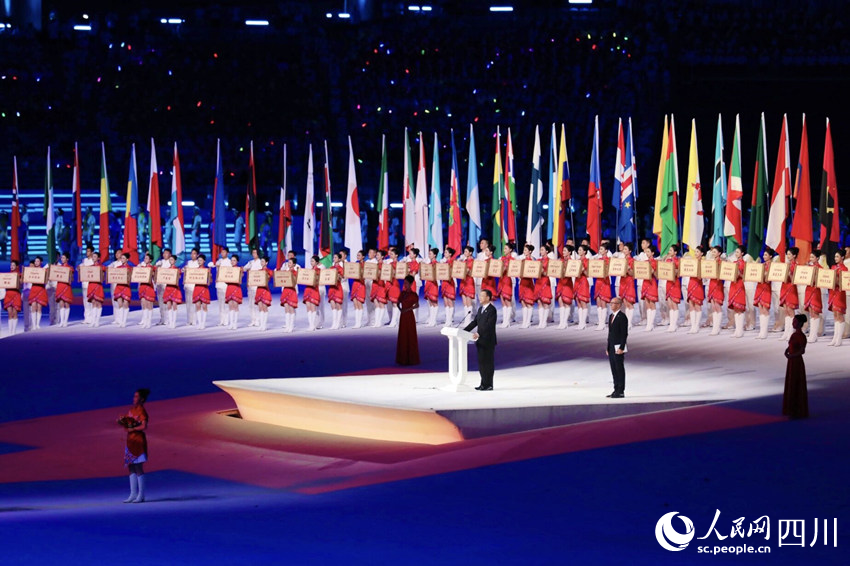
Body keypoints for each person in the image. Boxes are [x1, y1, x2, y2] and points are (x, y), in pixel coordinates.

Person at [118, 388, 150, 503]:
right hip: (130, 441)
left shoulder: (142, 411)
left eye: (136, 397)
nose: (134, 398)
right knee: (131, 467)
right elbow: (127, 423)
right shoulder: (131, 410)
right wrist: (123, 422)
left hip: (138, 441)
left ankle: (141, 495)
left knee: (138, 467)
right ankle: (132, 494)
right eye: (134, 396)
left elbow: (144, 426)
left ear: (141, 399)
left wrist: (132, 428)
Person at [464, 289, 498, 391]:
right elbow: (475, 322)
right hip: (480, 341)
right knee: (481, 363)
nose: (480, 298)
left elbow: (489, 326)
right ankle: (483, 383)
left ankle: (489, 384)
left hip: (488, 341)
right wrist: (463, 331)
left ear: (488, 297)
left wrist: (479, 333)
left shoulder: (492, 310)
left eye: (482, 296)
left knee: (488, 363)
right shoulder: (480, 309)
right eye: (479, 296)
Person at [782, 314, 809, 419]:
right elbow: (790, 346)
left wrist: (792, 355)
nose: (793, 323)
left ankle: (797, 409)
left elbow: (802, 351)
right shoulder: (793, 335)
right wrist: (787, 351)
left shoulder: (801, 336)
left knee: (796, 383)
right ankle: (791, 409)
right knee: (791, 382)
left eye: (795, 321)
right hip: (791, 361)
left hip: (796, 361)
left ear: (800, 324)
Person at [605, 297, 628, 398]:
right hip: (611, 347)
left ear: (619, 305)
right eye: (610, 303)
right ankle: (615, 389)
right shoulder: (611, 316)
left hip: (619, 347)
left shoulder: (622, 317)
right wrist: (608, 347)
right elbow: (610, 334)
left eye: (613, 303)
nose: (611, 305)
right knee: (614, 369)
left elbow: (624, 334)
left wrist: (622, 347)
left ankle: (621, 390)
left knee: (619, 368)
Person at [395, 275, 420, 365]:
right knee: (403, 335)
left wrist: (408, 309)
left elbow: (417, 305)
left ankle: (411, 358)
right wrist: (400, 309)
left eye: (406, 283)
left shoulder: (414, 295)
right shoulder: (402, 294)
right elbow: (398, 303)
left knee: (410, 335)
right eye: (404, 283)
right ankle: (402, 358)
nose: (405, 284)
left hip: (409, 316)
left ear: (411, 284)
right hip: (403, 316)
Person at [828, 250, 847, 346]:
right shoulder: (833, 267)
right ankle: (835, 337)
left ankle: (839, 338)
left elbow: (842, 283)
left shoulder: (844, 269)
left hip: (840, 293)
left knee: (840, 315)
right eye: (835, 256)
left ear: (842, 257)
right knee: (835, 315)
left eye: (837, 256)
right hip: (833, 292)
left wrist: (835, 275)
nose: (835, 258)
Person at [136, 252, 157, 329]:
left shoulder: (153, 268)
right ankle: (144, 320)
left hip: (149, 286)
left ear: (150, 260)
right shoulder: (141, 267)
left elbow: (155, 277)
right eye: (144, 258)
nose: (145, 259)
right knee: (144, 304)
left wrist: (153, 274)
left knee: (149, 304)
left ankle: (149, 322)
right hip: (142, 286)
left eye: (147, 258)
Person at [27, 256, 48, 330]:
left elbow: (46, 280)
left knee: (39, 307)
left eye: (38, 261)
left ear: (41, 262)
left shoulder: (43, 270)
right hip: (34, 289)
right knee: (33, 306)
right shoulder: (31, 271)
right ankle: (33, 324)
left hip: (41, 289)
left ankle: (38, 324)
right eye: (35, 261)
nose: (36, 263)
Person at [253, 256, 274, 331]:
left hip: (265, 290)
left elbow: (268, 278)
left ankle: (264, 325)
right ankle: (261, 324)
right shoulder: (258, 271)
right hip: (259, 290)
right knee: (260, 308)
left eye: (262, 261)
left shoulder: (269, 271)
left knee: (264, 308)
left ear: (266, 262)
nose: (261, 263)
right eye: (261, 261)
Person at [54, 253, 75, 327]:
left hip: (66, 287)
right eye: (61, 258)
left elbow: (72, 279)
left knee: (67, 304)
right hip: (60, 286)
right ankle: (61, 321)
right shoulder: (58, 268)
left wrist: (69, 278)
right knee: (61, 304)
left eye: (63, 258)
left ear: (67, 259)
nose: (62, 259)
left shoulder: (70, 268)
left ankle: (66, 321)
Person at [162, 255, 183, 329]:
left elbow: (179, 278)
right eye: (170, 260)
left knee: (174, 305)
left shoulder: (177, 270)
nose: (171, 261)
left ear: (175, 261)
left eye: (172, 260)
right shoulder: (167, 270)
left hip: (174, 288)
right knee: (168, 305)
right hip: (168, 288)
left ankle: (173, 322)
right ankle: (170, 321)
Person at [280, 256, 299, 332]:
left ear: (294, 264)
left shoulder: (295, 272)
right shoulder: (285, 272)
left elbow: (295, 282)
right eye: (288, 262)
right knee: (286, 308)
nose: (288, 264)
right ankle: (287, 326)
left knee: (291, 309)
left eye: (290, 262)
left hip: (291, 290)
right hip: (285, 290)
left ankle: (291, 326)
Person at [87, 251, 105, 327]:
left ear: (98, 258)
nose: (93, 258)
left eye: (95, 256)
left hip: (98, 286)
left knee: (98, 303)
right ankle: (93, 320)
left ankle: (97, 321)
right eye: (93, 256)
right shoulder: (90, 267)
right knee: (93, 303)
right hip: (91, 285)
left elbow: (103, 277)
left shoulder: (101, 267)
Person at [4, 259, 22, 335]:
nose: (12, 267)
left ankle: (14, 331)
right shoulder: (7, 275)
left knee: (14, 313)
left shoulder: (19, 275)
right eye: (11, 265)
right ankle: (10, 331)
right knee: (9, 313)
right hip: (8, 294)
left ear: (17, 266)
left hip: (16, 295)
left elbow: (21, 285)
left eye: (13, 265)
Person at [225, 255, 243, 330]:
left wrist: (240, 274)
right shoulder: (228, 270)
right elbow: (225, 279)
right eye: (231, 260)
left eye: (234, 260)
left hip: (236, 288)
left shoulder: (239, 269)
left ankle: (235, 323)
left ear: (237, 261)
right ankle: (231, 323)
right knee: (230, 306)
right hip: (229, 288)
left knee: (235, 306)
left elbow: (240, 280)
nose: (232, 262)